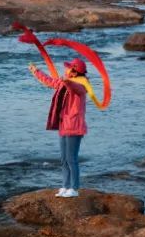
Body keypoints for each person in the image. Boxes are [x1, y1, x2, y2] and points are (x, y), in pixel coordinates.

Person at [28, 56, 106, 198]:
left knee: (71, 159)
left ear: (75, 72)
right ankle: (65, 186)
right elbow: (49, 81)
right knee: (64, 159)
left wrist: (66, 81)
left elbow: (74, 88)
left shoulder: (82, 85)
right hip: (64, 126)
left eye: (69, 68)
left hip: (74, 128)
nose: (66, 69)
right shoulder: (64, 81)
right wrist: (36, 71)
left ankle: (74, 188)